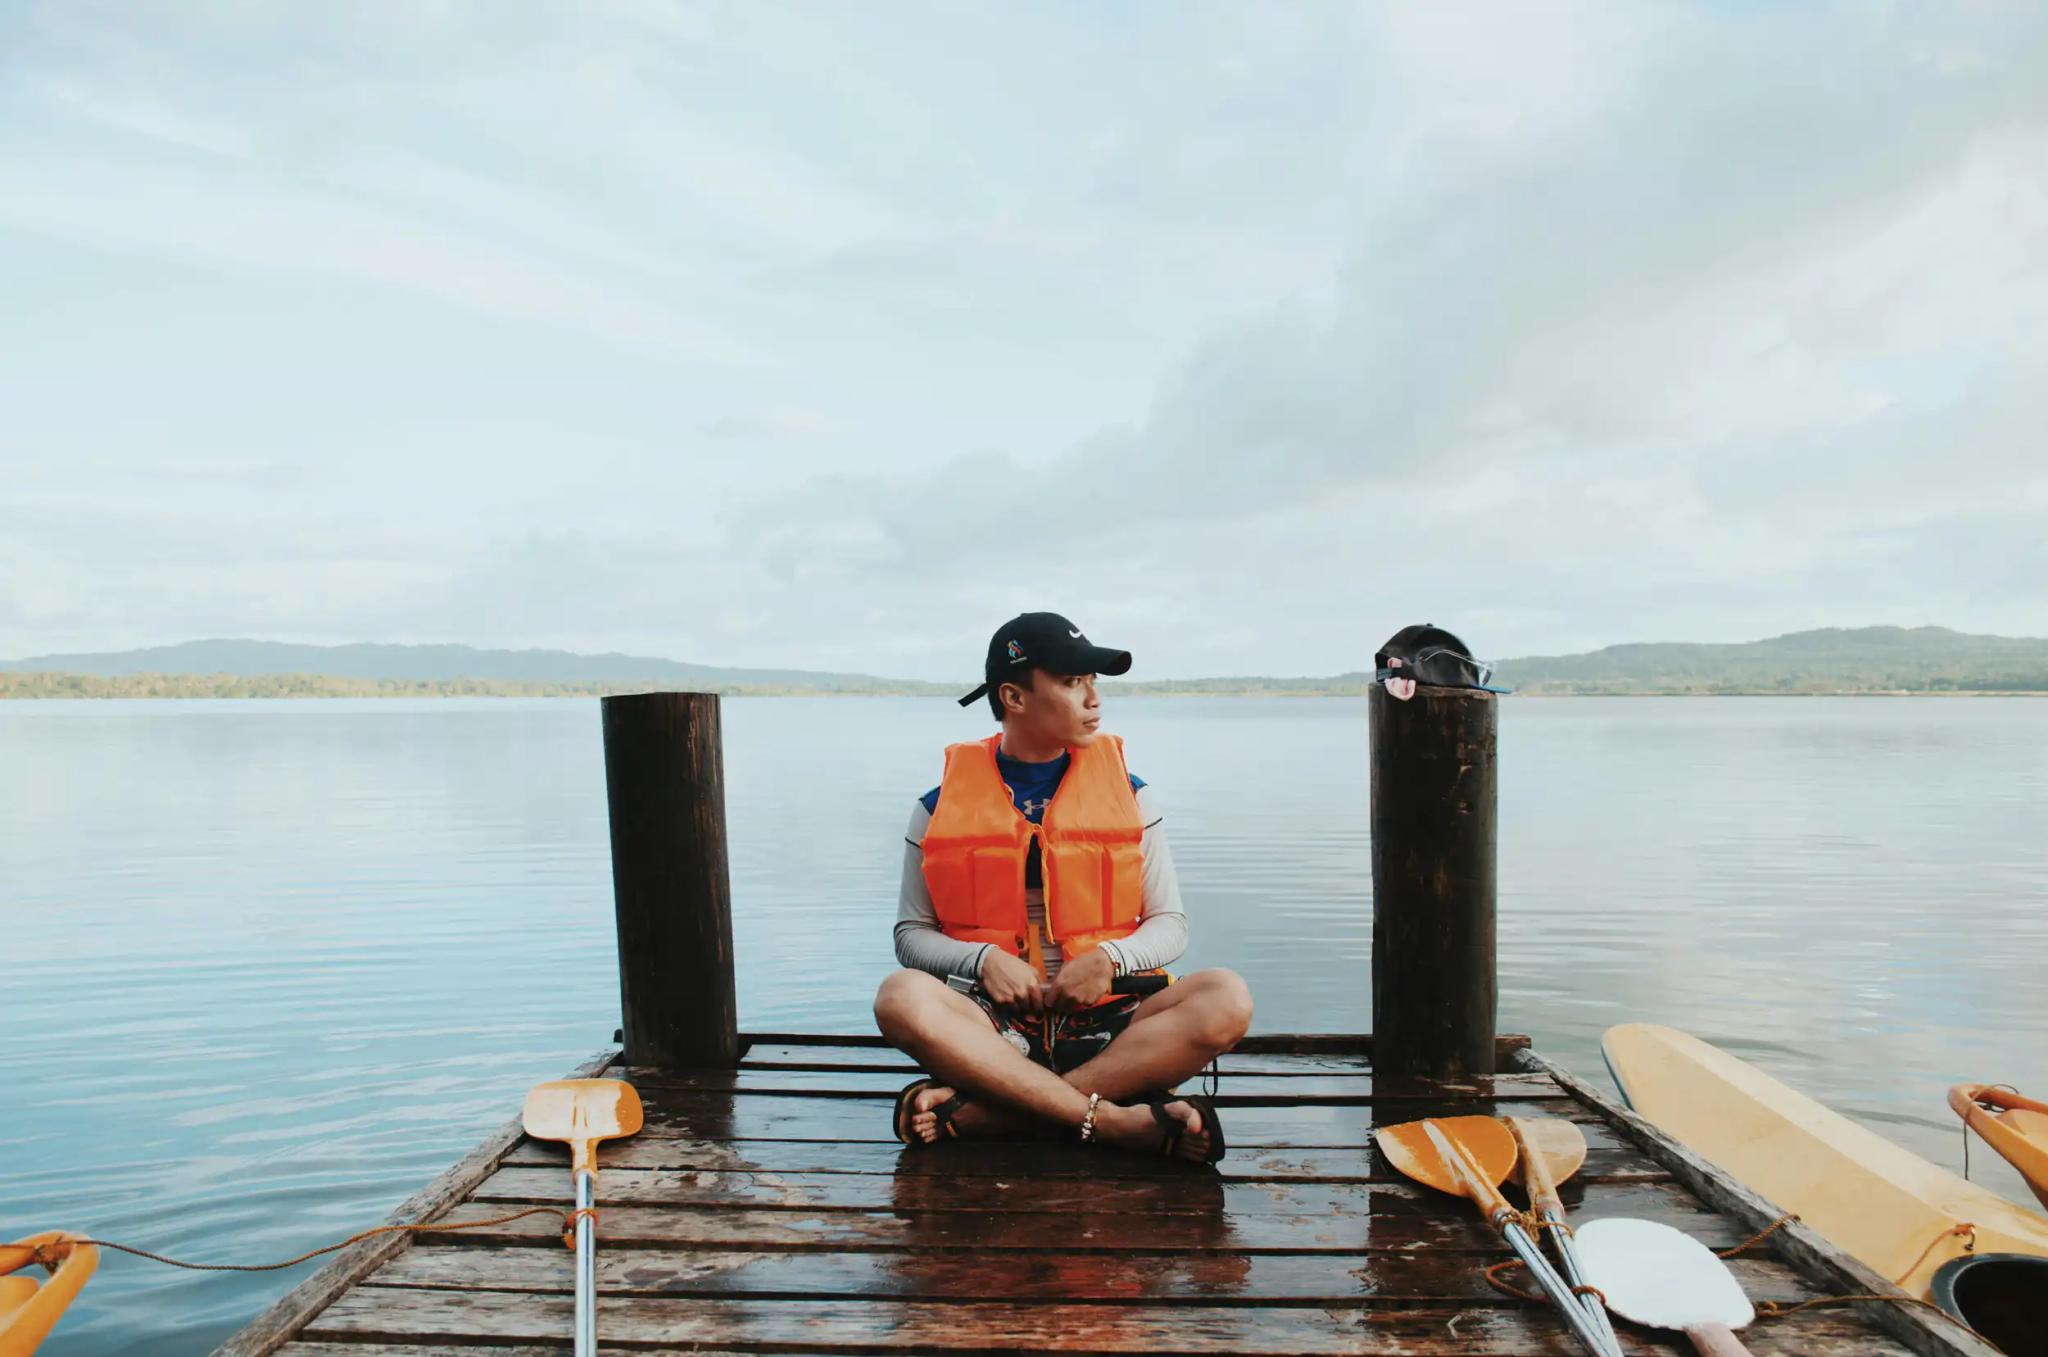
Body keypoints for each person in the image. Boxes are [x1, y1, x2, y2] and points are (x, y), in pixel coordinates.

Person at [873, 612, 1253, 1162]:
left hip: (1113, 1021)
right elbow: (911, 935)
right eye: (1074, 682)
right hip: (993, 1025)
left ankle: (988, 1115)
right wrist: (983, 961)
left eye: (1094, 683)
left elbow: (1171, 924)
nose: (1094, 699)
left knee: (1226, 997)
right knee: (900, 997)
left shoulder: (1133, 796)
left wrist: (1108, 959)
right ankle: (1118, 1122)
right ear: (1014, 696)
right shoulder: (933, 809)